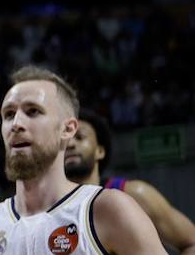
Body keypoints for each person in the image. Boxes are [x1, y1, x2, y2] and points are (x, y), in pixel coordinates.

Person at [0, 67, 164, 255]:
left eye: (33, 111)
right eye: (9, 114)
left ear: (68, 129)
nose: (16, 124)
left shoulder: (108, 210)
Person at [66, 108, 195, 255]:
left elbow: (191, 242)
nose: (70, 145)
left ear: (100, 151)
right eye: (65, 140)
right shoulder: (47, 207)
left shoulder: (134, 193)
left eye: (80, 137)